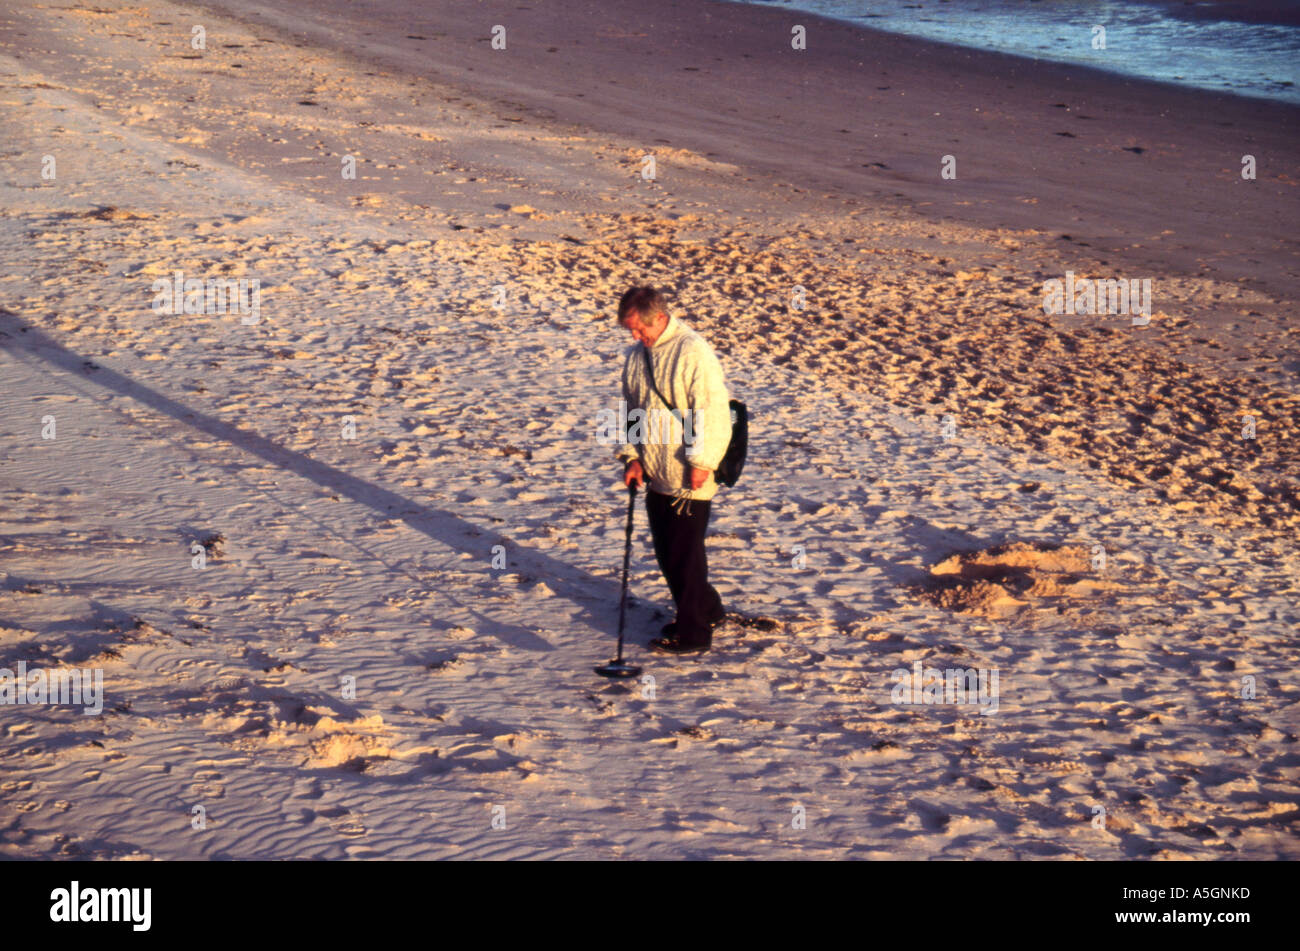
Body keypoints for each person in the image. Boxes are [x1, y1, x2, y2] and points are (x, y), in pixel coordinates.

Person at [614, 286, 732, 654]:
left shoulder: (693, 352)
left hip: (689, 473)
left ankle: (694, 633)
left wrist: (702, 463)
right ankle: (707, 608)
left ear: (660, 319)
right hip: (655, 470)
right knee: (668, 552)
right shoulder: (637, 356)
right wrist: (632, 457)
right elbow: (630, 407)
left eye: (639, 329)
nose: (635, 337)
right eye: (630, 330)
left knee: (685, 555)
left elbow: (712, 412)